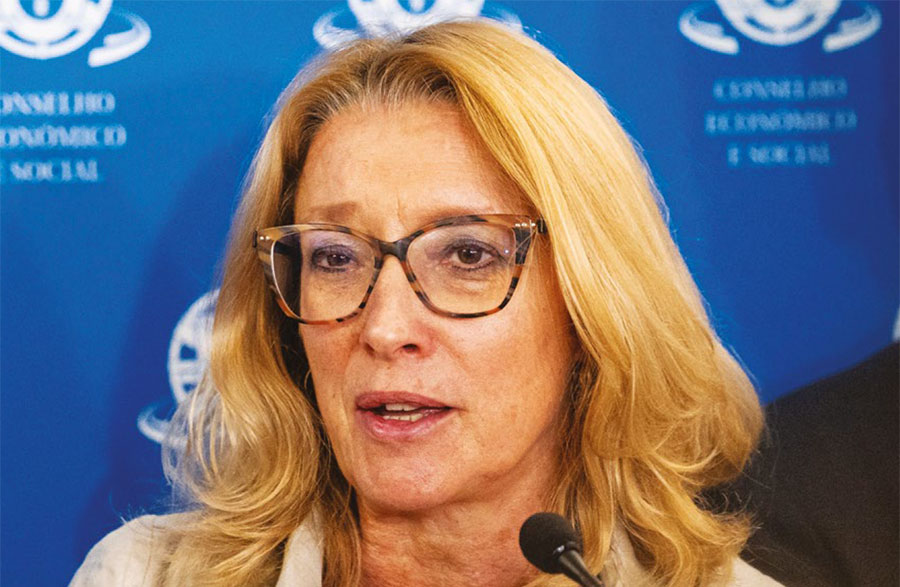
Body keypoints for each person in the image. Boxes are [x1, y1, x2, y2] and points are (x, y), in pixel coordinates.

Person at [72, 19, 780, 586]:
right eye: (335, 257)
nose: (384, 328)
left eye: (468, 255)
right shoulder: (145, 576)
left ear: (592, 303)